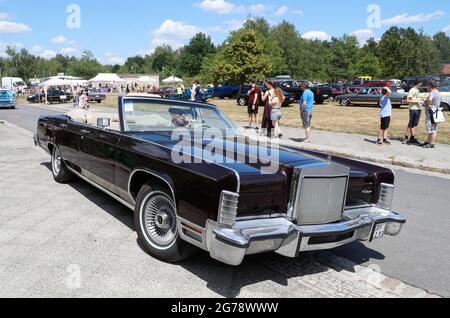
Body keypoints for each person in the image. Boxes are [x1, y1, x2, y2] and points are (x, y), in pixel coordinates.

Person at [403, 80, 423, 145]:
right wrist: (417, 101)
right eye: (421, 84)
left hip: (418, 108)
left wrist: (421, 100)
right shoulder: (412, 90)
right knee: (411, 123)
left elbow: (415, 98)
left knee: (414, 124)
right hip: (413, 109)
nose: (421, 85)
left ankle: (412, 138)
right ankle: (406, 138)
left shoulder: (417, 90)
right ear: (418, 83)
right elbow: (407, 100)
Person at [422, 80, 441, 149]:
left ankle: (431, 143)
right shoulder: (437, 92)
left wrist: (429, 105)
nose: (427, 88)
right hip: (435, 111)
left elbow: (430, 100)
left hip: (431, 112)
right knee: (433, 127)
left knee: (431, 128)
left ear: (430, 86)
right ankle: (428, 141)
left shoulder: (432, 92)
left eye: (427, 86)